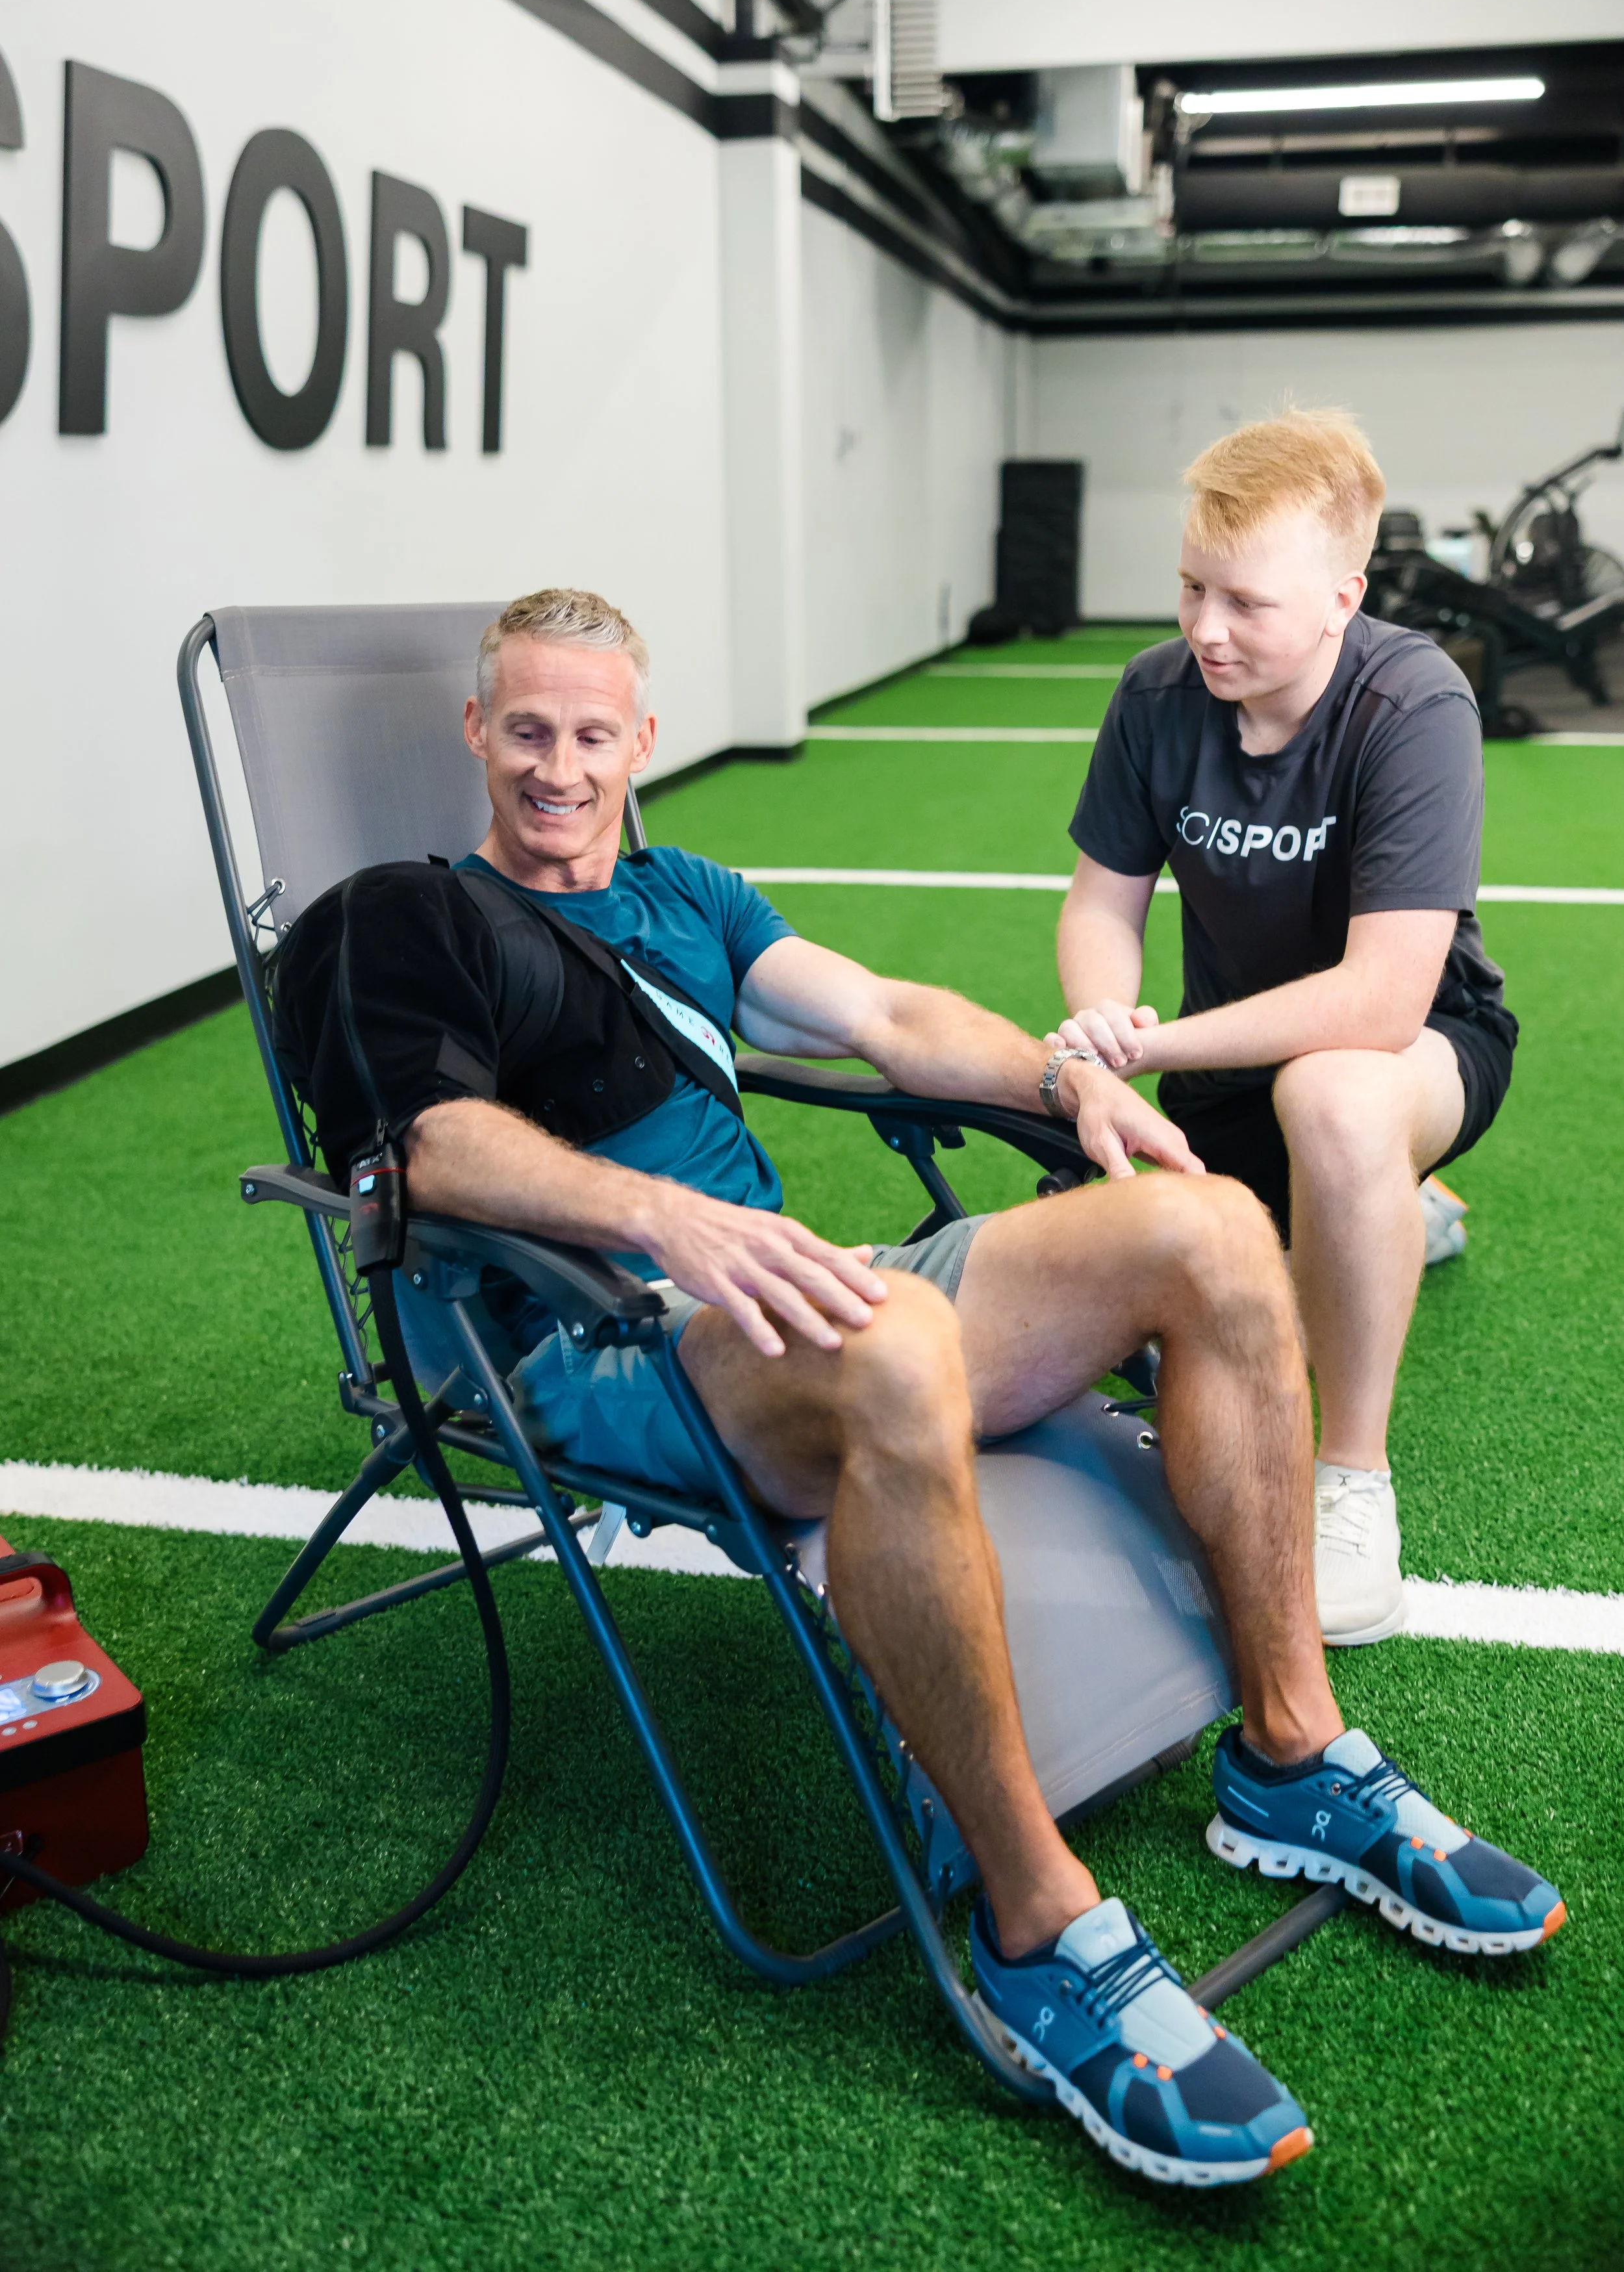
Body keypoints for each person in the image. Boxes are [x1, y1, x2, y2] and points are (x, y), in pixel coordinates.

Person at [273, 585, 1560, 2190]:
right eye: (525, 730)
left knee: (1216, 1231)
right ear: (477, 732)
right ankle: (1038, 1921)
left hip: (799, 1290)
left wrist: (1058, 1076)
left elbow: (883, 1015)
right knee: (882, 1341)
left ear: (639, 742)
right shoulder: (404, 915)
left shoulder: (691, 894)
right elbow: (431, 1145)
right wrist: (665, 1212)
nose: (556, 767)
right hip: (603, 1329)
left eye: (590, 733)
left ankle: (1288, 1756)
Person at [1055, 412, 1517, 1648]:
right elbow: (1104, 901)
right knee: (1096, 1231)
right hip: (1225, 1050)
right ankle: (1369, 1207)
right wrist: (1100, 1028)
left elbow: (1382, 1001)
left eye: (1245, 603)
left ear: (1341, 596)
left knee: (1333, 1100)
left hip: (1420, 1047)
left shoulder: (1414, 700)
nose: (1206, 627)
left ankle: (1352, 1478)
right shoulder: (1158, 693)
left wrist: (1148, 1052)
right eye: (1192, 586)